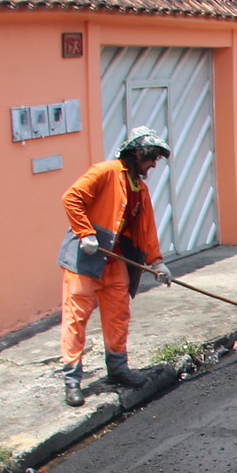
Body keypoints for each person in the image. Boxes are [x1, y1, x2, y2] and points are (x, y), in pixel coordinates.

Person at [57, 127, 173, 408]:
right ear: (136, 154)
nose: (154, 164)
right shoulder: (105, 172)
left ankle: (118, 369)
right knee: (76, 318)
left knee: (118, 315)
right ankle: (72, 380)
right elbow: (71, 198)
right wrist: (85, 233)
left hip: (116, 260)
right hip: (86, 259)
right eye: (151, 158)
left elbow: (146, 229)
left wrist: (157, 263)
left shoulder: (140, 188)